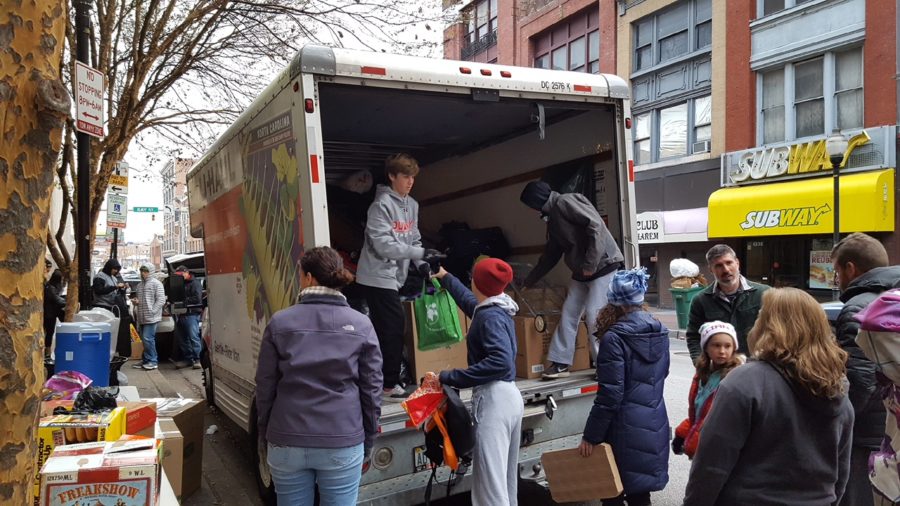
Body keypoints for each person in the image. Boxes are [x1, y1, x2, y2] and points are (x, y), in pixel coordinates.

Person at [683, 288, 854, 506]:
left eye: (760, 316)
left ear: (769, 327)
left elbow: (711, 466)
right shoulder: (836, 388)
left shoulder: (744, 381)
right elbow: (841, 472)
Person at [255, 246, 382, 505]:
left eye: (300, 274)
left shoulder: (280, 322)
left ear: (309, 278)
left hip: (286, 438)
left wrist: (266, 430)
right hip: (342, 438)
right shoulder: (361, 324)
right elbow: (371, 389)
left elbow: (265, 385)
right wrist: (368, 436)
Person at [433, 258, 523, 506]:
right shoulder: (498, 307)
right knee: (504, 483)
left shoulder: (489, 318)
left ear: (477, 282)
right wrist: (445, 276)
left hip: (495, 401)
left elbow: (501, 362)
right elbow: (470, 302)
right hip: (510, 397)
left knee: (490, 489)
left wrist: (448, 376)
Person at [355, 153, 443, 401]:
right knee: (394, 327)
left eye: (413, 177)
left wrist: (423, 264)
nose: (410, 181)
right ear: (392, 176)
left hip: (396, 276)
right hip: (376, 275)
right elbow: (383, 246)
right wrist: (421, 251)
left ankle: (381, 380)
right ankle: (387, 384)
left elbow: (413, 238)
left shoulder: (412, 205)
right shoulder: (380, 206)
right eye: (405, 176)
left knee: (388, 329)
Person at [579, 268, 669, 506]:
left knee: (612, 494)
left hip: (623, 429)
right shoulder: (660, 331)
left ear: (615, 302)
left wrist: (591, 436)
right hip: (653, 421)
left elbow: (610, 395)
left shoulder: (614, 338)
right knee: (640, 495)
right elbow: (663, 374)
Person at [519, 180, 624, 380]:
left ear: (536, 200)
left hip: (602, 266)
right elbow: (552, 253)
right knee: (569, 313)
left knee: (595, 316)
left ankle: (605, 366)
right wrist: (530, 280)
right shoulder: (552, 218)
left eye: (530, 205)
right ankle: (560, 362)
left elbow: (596, 226)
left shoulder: (565, 202)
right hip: (582, 271)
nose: (532, 210)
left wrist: (590, 264)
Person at [831, 232, 900, 505]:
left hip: (867, 429)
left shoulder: (858, 307)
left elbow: (860, 379)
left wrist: (838, 424)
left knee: (859, 495)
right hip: (891, 424)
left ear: (851, 268)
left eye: (837, 271)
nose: (837, 280)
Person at [672, 321, 743, 460]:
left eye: (727, 346)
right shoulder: (702, 374)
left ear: (734, 348)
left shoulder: (735, 377)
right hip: (702, 443)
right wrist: (683, 432)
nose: (722, 351)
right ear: (706, 348)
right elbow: (698, 412)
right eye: (716, 345)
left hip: (719, 448)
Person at [686, 244, 769, 361]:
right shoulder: (701, 300)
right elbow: (694, 337)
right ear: (710, 269)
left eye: (729, 263)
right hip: (719, 372)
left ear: (737, 263)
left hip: (755, 369)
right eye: (719, 265)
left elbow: (777, 332)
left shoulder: (765, 294)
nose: (726, 269)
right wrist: (702, 366)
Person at [92, 258, 133, 357]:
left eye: (117, 269)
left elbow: (117, 293)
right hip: (102, 307)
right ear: (109, 267)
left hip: (112, 306)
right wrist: (115, 287)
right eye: (114, 269)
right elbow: (99, 290)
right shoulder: (99, 277)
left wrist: (122, 288)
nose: (116, 271)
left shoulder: (114, 278)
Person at [131, 264, 166, 370]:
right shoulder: (140, 285)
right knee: (145, 339)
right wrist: (137, 302)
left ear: (150, 272)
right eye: (141, 271)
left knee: (148, 338)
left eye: (145, 271)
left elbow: (161, 300)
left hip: (151, 317)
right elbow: (142, 300)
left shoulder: (157, 284)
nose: (143, 273)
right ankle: (146, 359)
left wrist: (152, 311)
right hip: (142, 317)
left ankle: (153, 361)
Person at [173, 265, 203, 369]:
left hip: (191, 313)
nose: (179, 277)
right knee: (183, 339)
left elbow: (197, 298)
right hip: (182, 314)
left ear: (186, 272)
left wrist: (183, 302)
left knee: (193, 337)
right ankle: (189, 359)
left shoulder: (195, 284)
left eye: (181, 275)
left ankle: (197, 359)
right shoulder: (182, 283)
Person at [43, 267, 66, 356]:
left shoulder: (51, 286)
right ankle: (47, 351)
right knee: (49, 332)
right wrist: (68, 302)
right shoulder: (51, 288)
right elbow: (56, 299)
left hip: (51, 312)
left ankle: (47, 350)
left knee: (50, 332)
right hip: (49, 313)